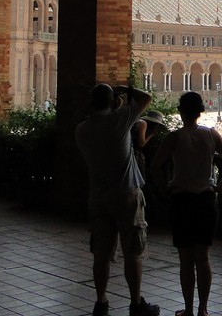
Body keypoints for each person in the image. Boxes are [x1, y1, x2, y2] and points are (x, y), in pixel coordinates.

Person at [75, 83, 161, 316]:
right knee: (132, 252)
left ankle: (101, 302)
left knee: (101, 255)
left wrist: (114, 100)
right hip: (126, 195)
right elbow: (146, 98)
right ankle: (136, 304)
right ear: (112, 102)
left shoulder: (82, 129)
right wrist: (124, 89)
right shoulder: (118, 121)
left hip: (98, 197)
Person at [149, 92, 222, 316]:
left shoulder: (175, 137)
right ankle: (203, 309)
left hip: (182, 200)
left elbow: (155, 166)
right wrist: (220, 186)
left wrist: (164, 188)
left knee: (186, 259)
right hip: (206, 199)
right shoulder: (211, 134)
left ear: (181, 111)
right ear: (200, 111)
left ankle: (188, 309)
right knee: (203, 258)